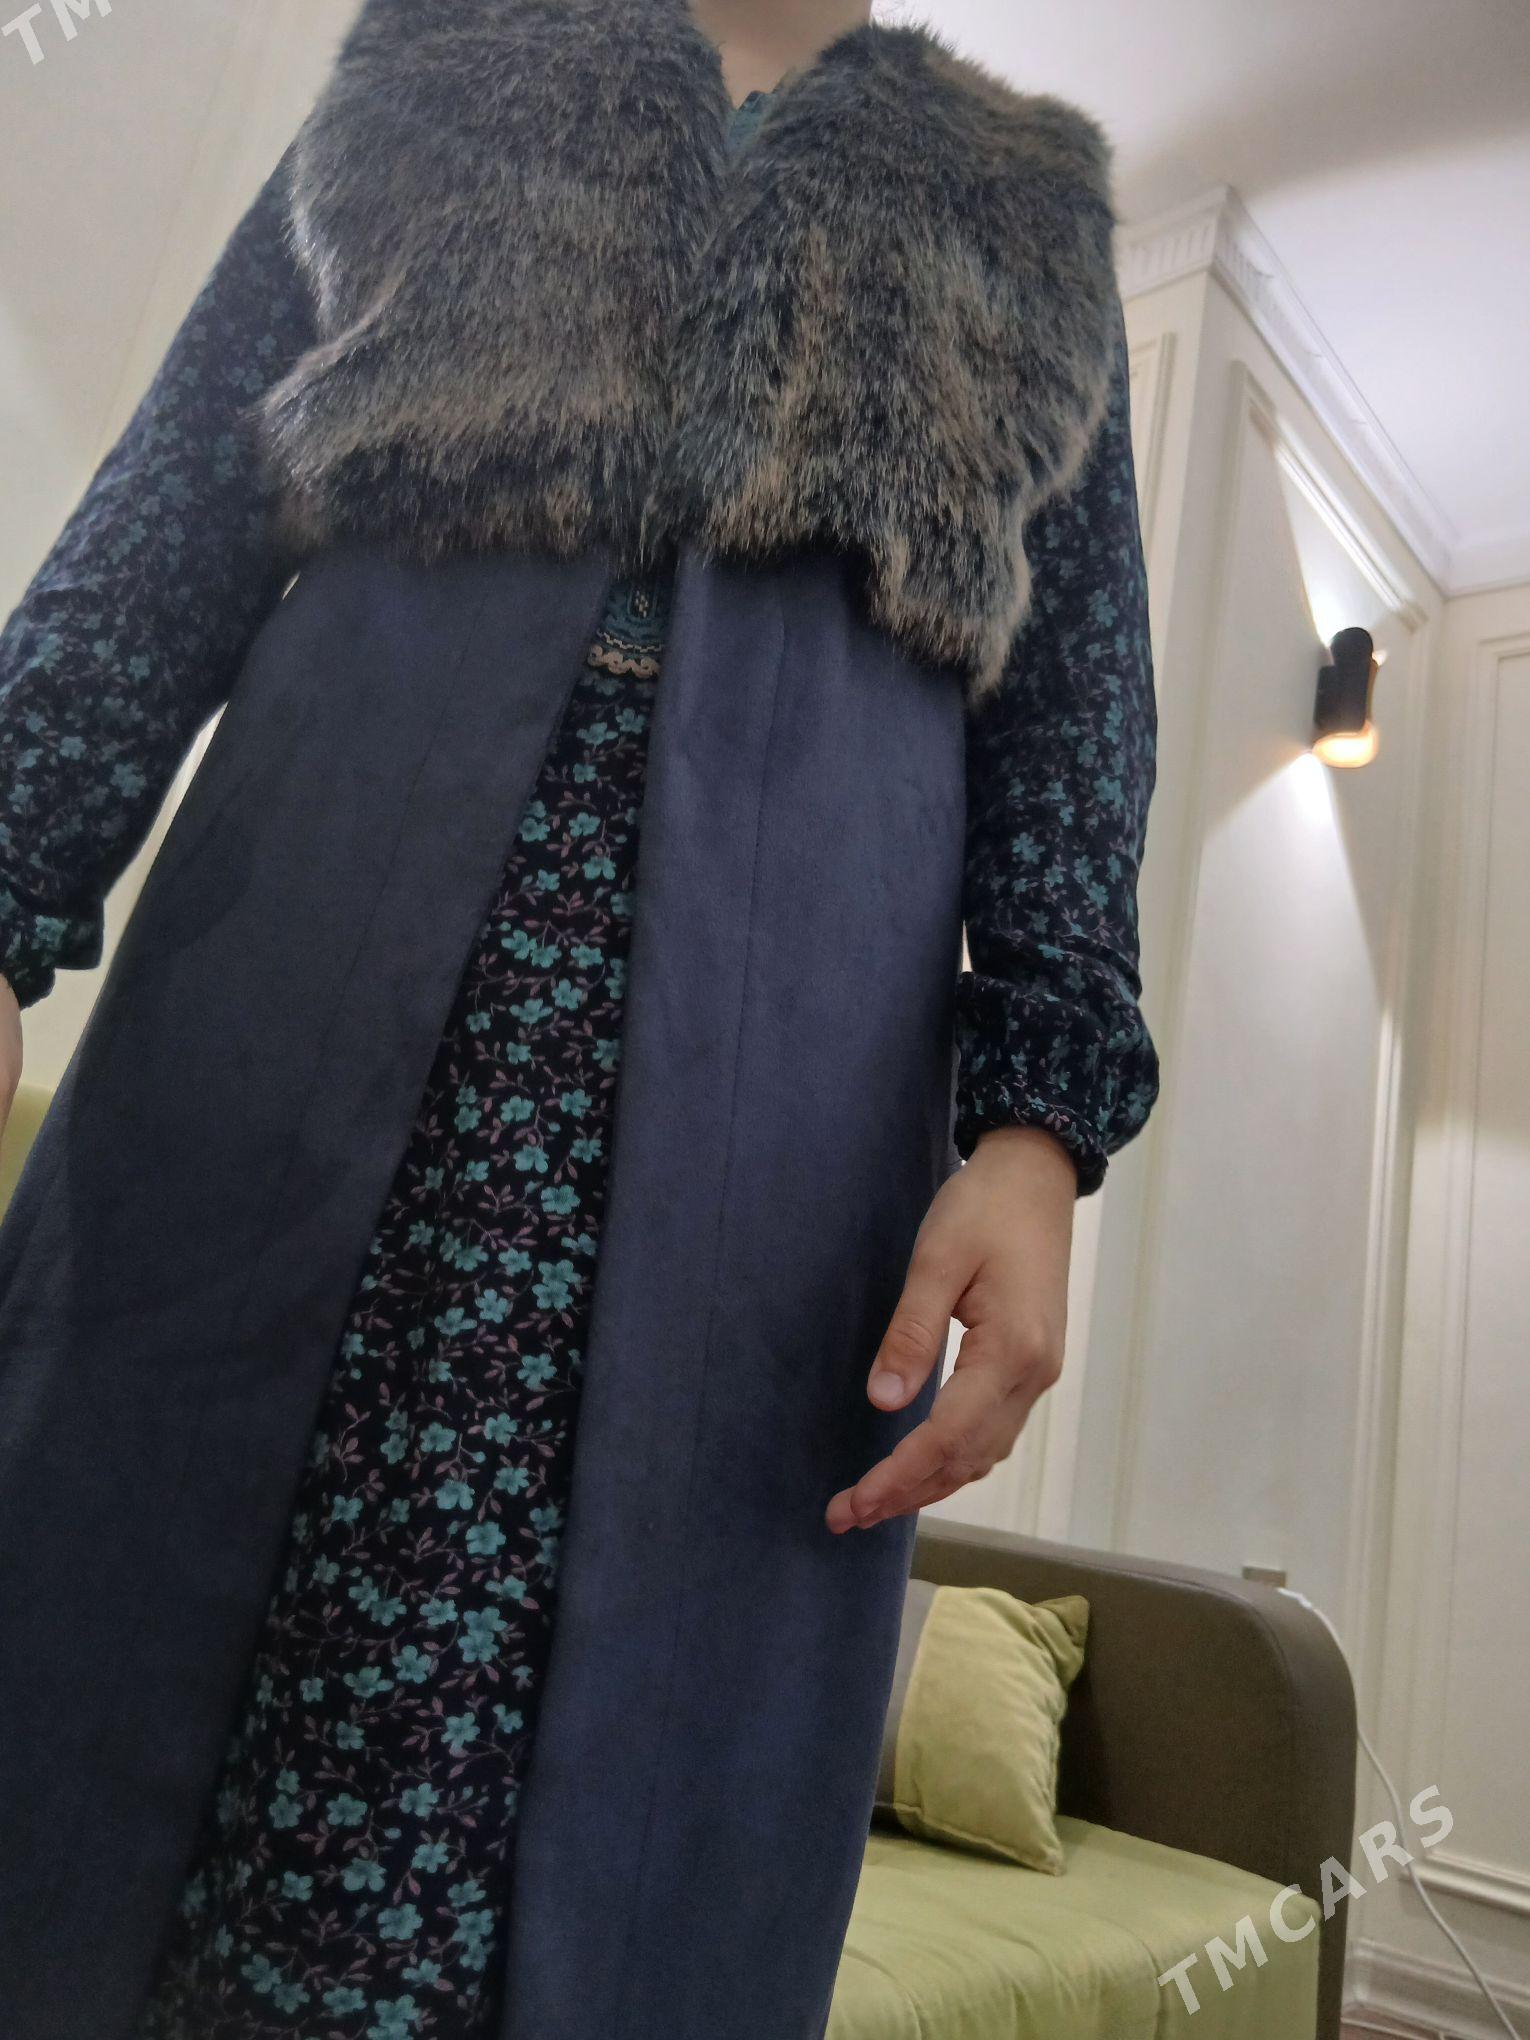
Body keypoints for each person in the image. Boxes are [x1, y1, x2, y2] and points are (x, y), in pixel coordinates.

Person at [0, 0, 1160, 2034]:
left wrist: (1038, 1130)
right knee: (125, 1706)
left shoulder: (1026, 207)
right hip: (285, 1019)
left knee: (635, 1810)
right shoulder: (441, 57)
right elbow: (171, 517)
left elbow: (1077, 710)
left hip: (781, 1137)